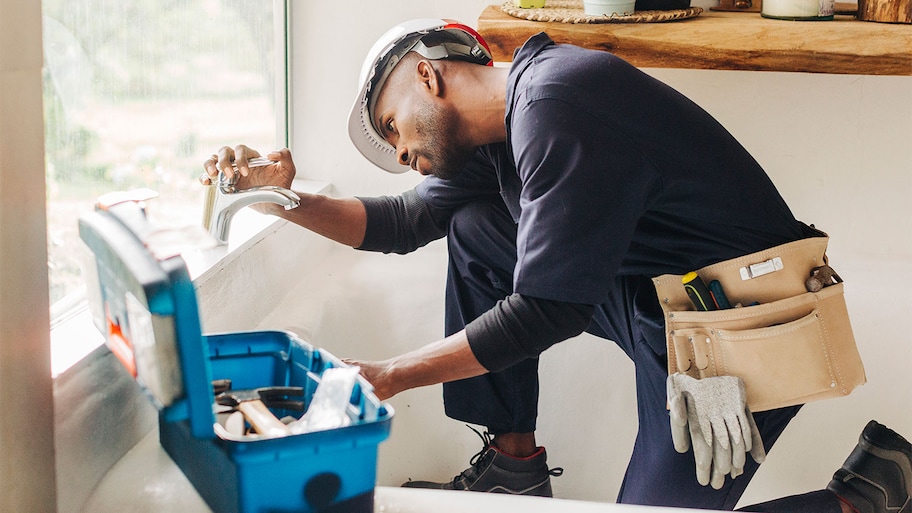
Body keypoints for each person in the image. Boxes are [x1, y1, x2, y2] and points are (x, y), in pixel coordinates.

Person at [202, 19, 912, 512]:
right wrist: (278, 197)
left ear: (429, 74)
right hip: (664, 312)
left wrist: (388, 374)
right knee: (478, 228)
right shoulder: (499, 139)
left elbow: (550, 307)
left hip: (745, 330)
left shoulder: (560, 102)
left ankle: (861, 495)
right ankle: (514, 468)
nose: (398, 154)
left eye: (393, 126)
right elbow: (398, 223)